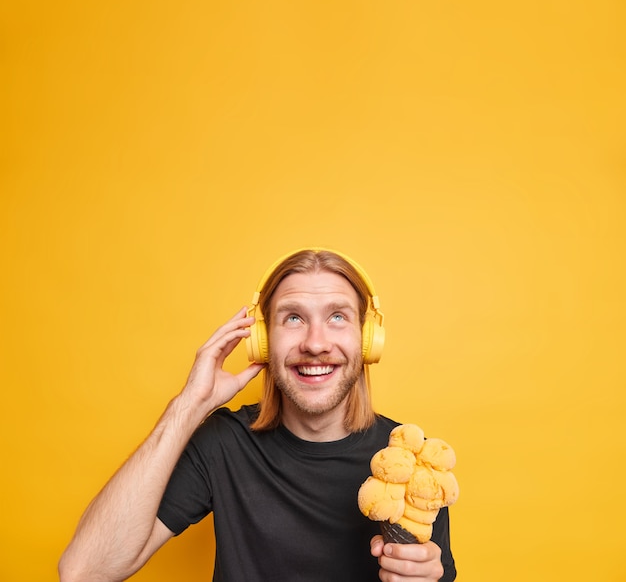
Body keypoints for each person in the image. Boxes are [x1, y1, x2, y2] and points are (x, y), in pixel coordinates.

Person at [59, 248, 456, 581]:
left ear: (368, 340)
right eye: (293, 318)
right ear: (263, 341)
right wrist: (188, 406)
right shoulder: (223, 443)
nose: (315, 343)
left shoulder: (409, 462)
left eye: (337, 316)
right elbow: (84, 572)